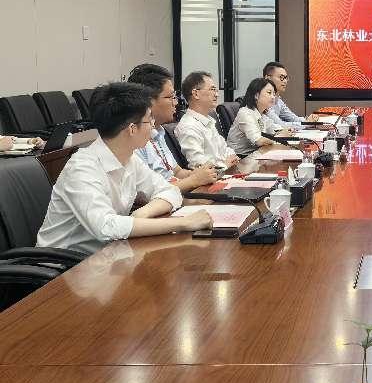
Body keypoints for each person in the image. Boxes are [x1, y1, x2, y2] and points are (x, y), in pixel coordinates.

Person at [36, 83, 213, 254]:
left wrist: (141, 214)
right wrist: (183, 223)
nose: (153, 126)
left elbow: (170, 191)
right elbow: (106, 227)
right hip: (62, 264)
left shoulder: (130, 158)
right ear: (132, 129)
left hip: (107, 254)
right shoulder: (82, 168)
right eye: (149, 120)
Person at [126, 64, 218, 192]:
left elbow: (177, 171)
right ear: (148, 101)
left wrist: (198, 174)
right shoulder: (132, 138)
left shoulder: (159, 132)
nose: (176, 102)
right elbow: (146, 194)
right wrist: (194, 180)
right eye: (171, 97)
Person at [175, 71, 240, 169]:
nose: (217, 94)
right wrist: (224, 164)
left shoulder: (208, 120)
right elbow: (198, 164)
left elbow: (225, 149)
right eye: (212, 89)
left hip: (226, 171)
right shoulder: (188, 126)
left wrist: (232, 158)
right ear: (196, 94)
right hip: (215, 176)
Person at [226, 78, 288, 156]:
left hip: (255, 153)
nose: (273, 97)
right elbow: (259, 141)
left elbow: (274, 129)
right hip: (240, 157)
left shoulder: (262, 113)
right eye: (269, 93)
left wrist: (284, 131)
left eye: (274, 94)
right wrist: (280, 136)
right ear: (256, 95)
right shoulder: (245, 113)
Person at [262, 61, 305, 127]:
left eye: (286, 78)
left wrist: (310, 121)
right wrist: (308, 124)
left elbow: (294, 118)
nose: (285, 81)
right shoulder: (262, 99)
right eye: (281, 77)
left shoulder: (278, 100)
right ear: (268, 78)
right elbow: (281, 125)